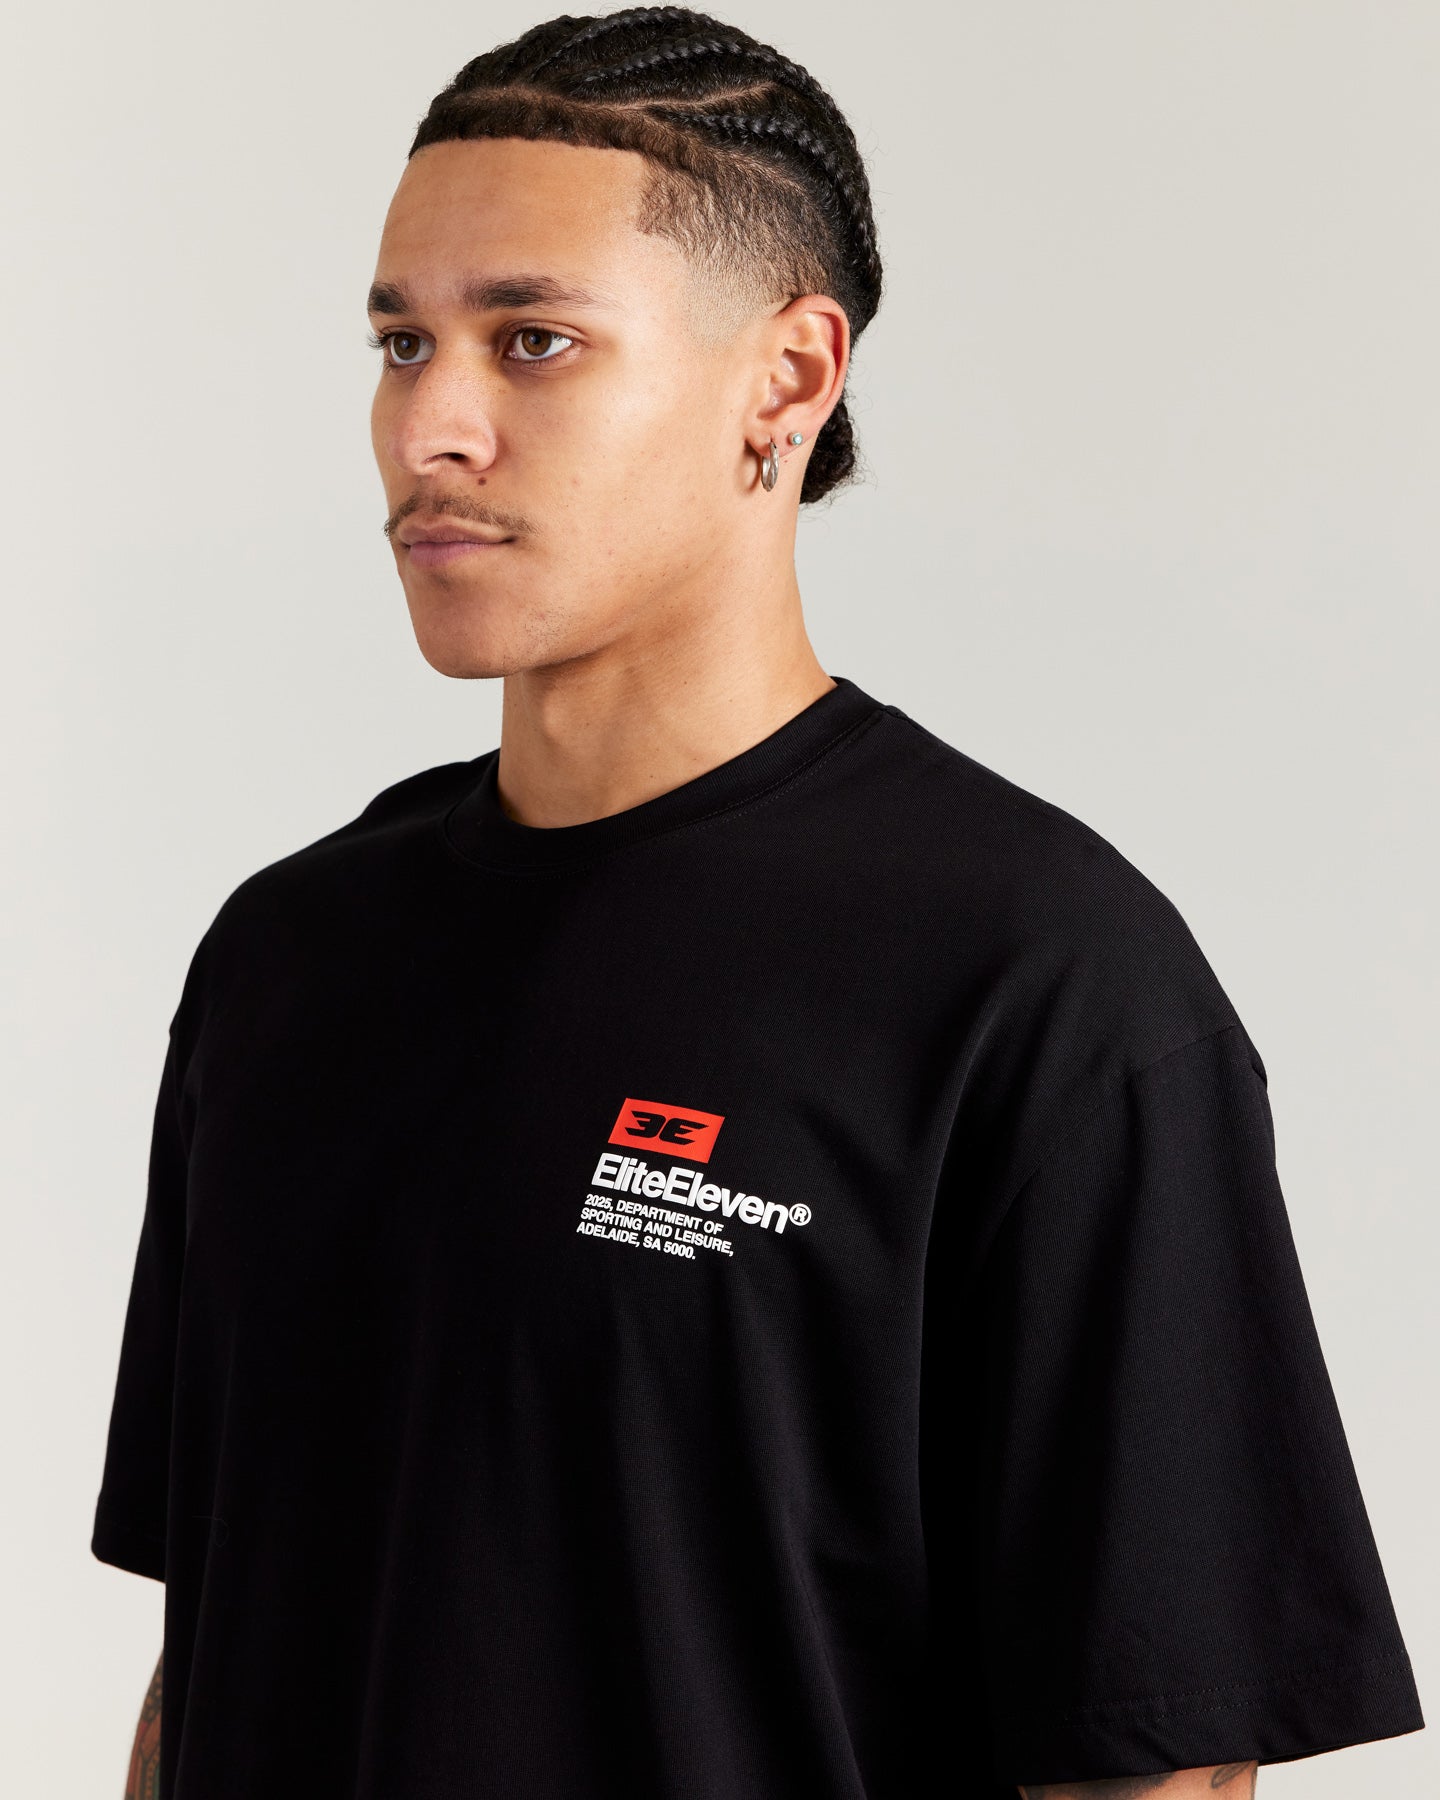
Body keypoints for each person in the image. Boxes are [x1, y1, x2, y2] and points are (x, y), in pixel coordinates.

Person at [90, 9, 1424, 1798]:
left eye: (533, 339)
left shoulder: (1040, 987)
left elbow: (1152, 1761)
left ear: (788, 381)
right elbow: (209, 1646)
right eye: (403, 342)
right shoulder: (285, 960)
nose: (432, 427)